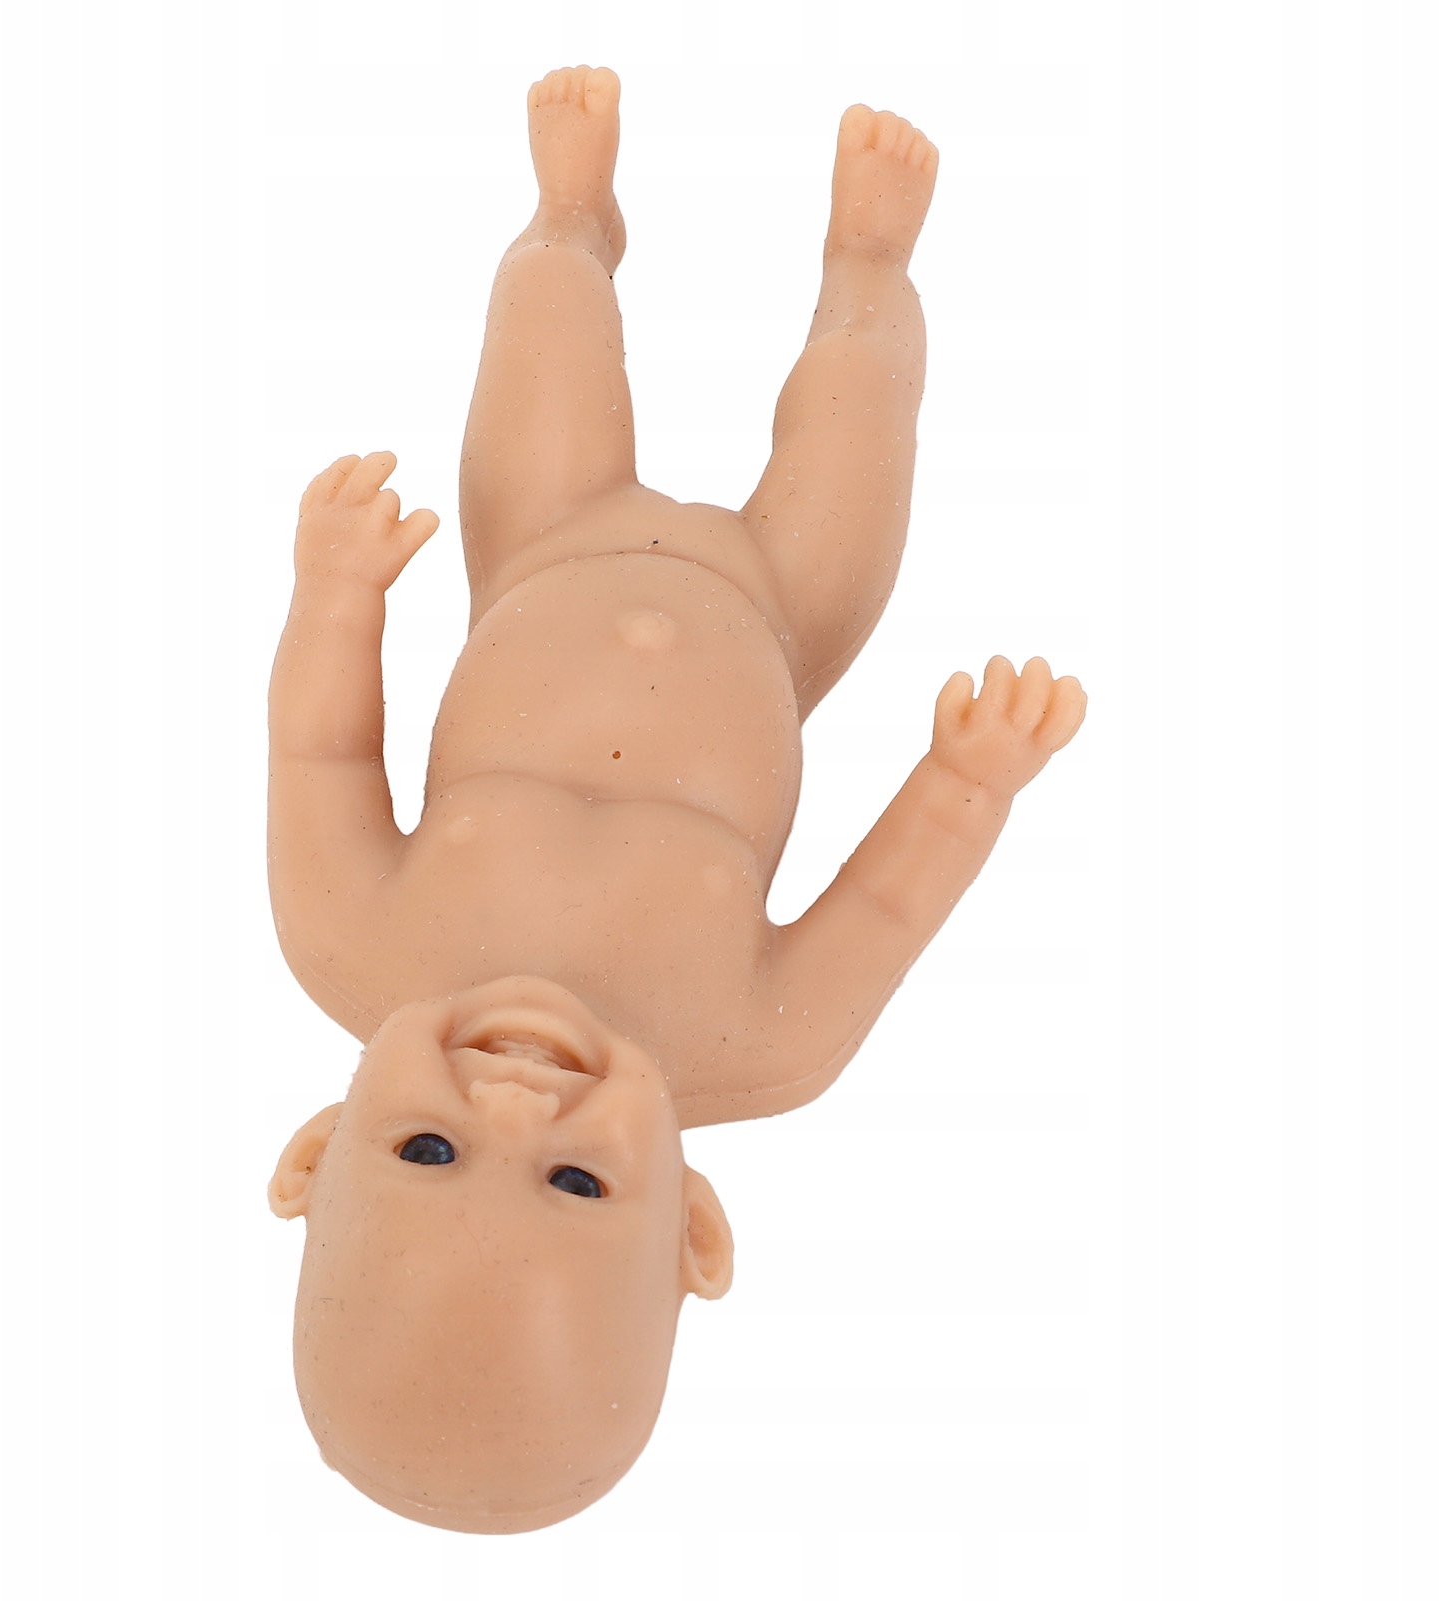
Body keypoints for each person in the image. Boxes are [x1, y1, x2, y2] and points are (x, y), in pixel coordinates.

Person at [266, 65, 1085, 1532]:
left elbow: (321, 753)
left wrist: (335, 596)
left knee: (543, 322)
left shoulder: (344, 939)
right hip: (780, 611)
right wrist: (969, 779)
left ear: (318, 1153)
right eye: (578, 1180)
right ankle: (868, 260)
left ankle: (572, 212)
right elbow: (886, 903)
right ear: (691, 1226)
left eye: (427, 1149)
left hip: (539, 542)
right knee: (857, 413)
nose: (514, 1102)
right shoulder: (765, 1044)